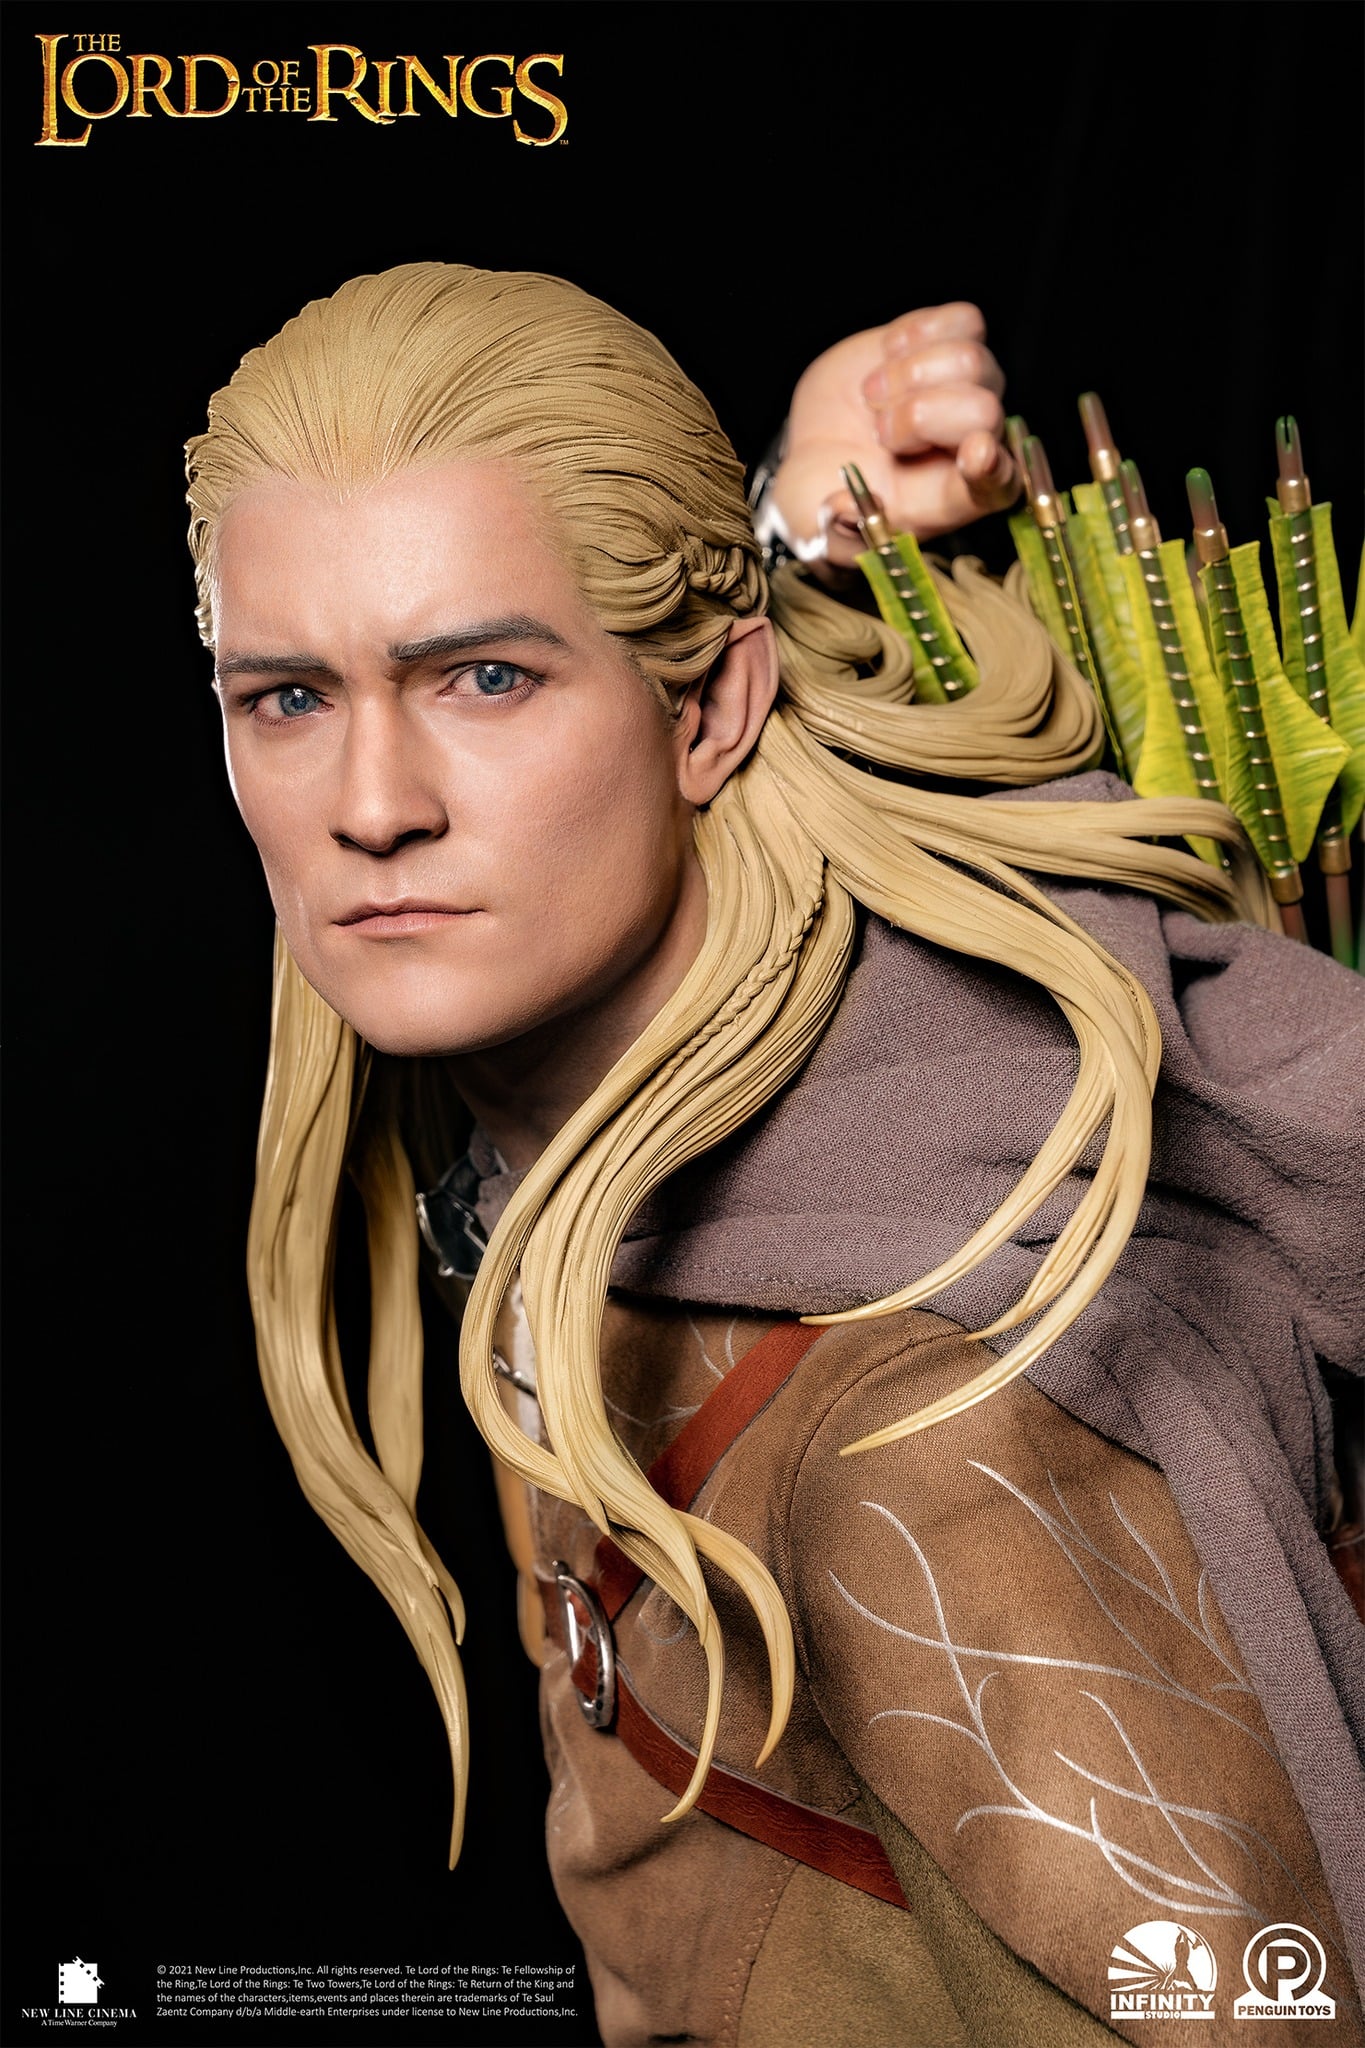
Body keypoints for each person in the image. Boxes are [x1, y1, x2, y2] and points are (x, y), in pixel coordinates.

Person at [187, 263, 1364, 2046]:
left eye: (484, 677)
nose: (372, 806)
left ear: (712, 714)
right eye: (287, 697)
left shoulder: (930, 1446)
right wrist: (778, 540)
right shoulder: (600, 1124)